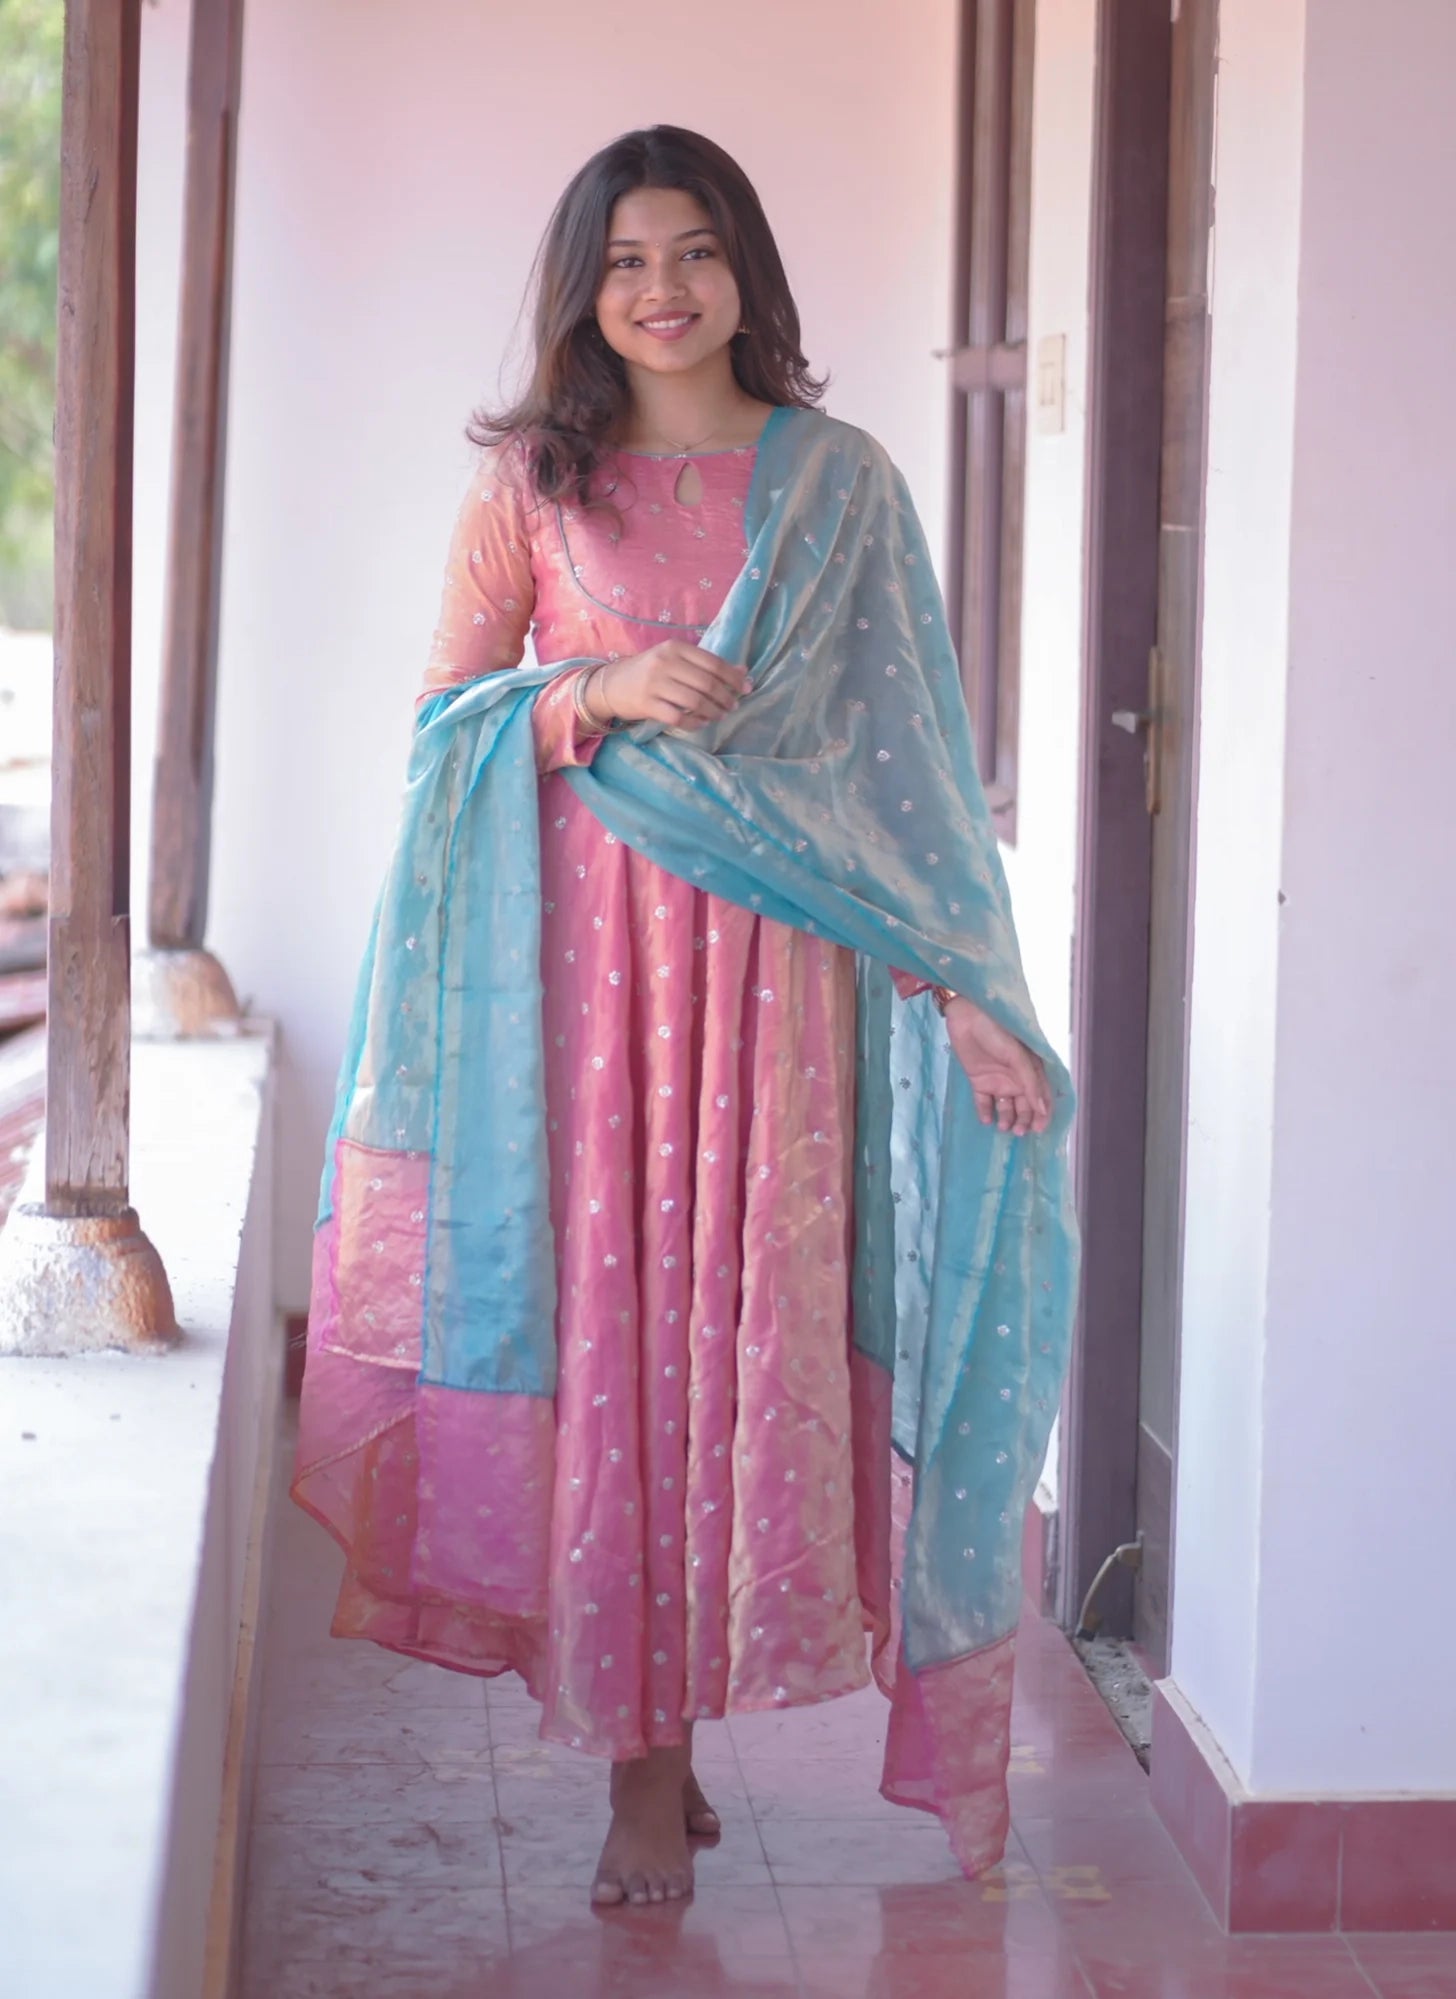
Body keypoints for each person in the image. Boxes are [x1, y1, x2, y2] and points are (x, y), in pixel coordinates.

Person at [293, 124, 1077, 1911]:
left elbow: (910, 789)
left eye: (698, 252)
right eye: (629, 259)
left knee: (745, 1348)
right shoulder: (530, 486)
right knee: (619, 1350)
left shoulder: (843, 488)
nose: (664, 290)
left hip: (782, 1008)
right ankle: (642, 1772)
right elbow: (441, 727)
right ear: (584, 290)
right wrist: (596, 692)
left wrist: (960, 993)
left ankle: (694, 1718)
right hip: (579, 1011)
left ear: (748, 273)